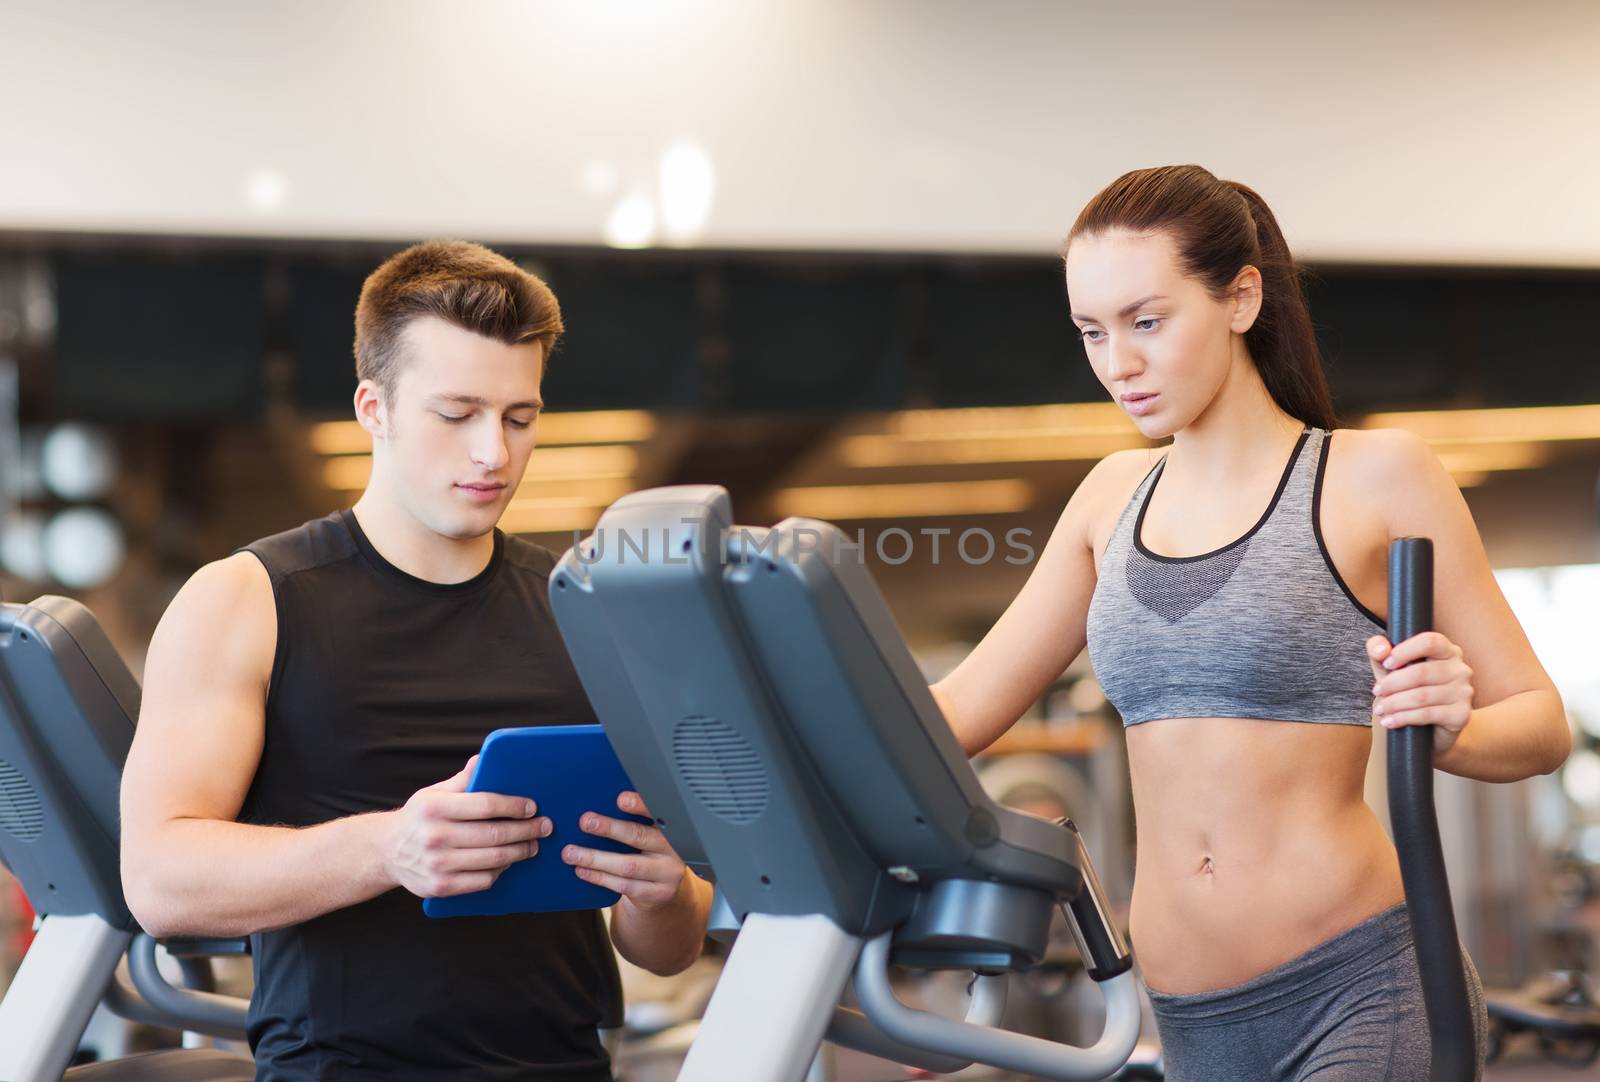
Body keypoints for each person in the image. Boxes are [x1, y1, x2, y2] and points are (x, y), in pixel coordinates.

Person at [929, 165, 1570, 1081]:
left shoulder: (1373, 477)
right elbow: (955, 713)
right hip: (1190, 1021)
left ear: (1240, 297)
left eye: (1147, 321)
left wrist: (1455, 728)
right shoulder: (1110, 499)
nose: (1119, 363)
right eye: (1092, 331)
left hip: (1362, 991)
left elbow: (1540, 721)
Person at [120, 240, 713, 1080]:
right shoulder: (246, 600)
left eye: (518, 418)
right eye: (456, 413)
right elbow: (159, 881)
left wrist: (665, 892)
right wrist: (389, 849)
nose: (492, 455)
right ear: (374, 407)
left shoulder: (592, 610)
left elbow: (668, 949)